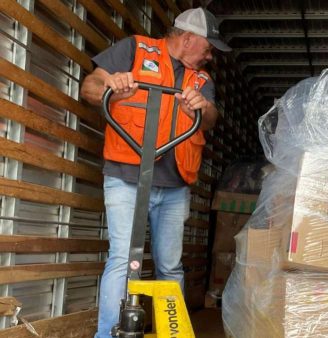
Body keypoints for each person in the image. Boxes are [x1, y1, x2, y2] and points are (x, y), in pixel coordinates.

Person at [80, 7, 231, 338]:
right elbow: (89, 88)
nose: (209, 57)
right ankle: (107, 335)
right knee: (122, 260)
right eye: (208, 48)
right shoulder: (135, 49)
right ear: (189, 38)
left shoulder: (201, 79)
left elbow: (210, 119)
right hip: (126, 176)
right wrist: (110, 84)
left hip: (174, 184)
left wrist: (201, 106)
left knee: (170, 266)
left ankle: (170, 334)